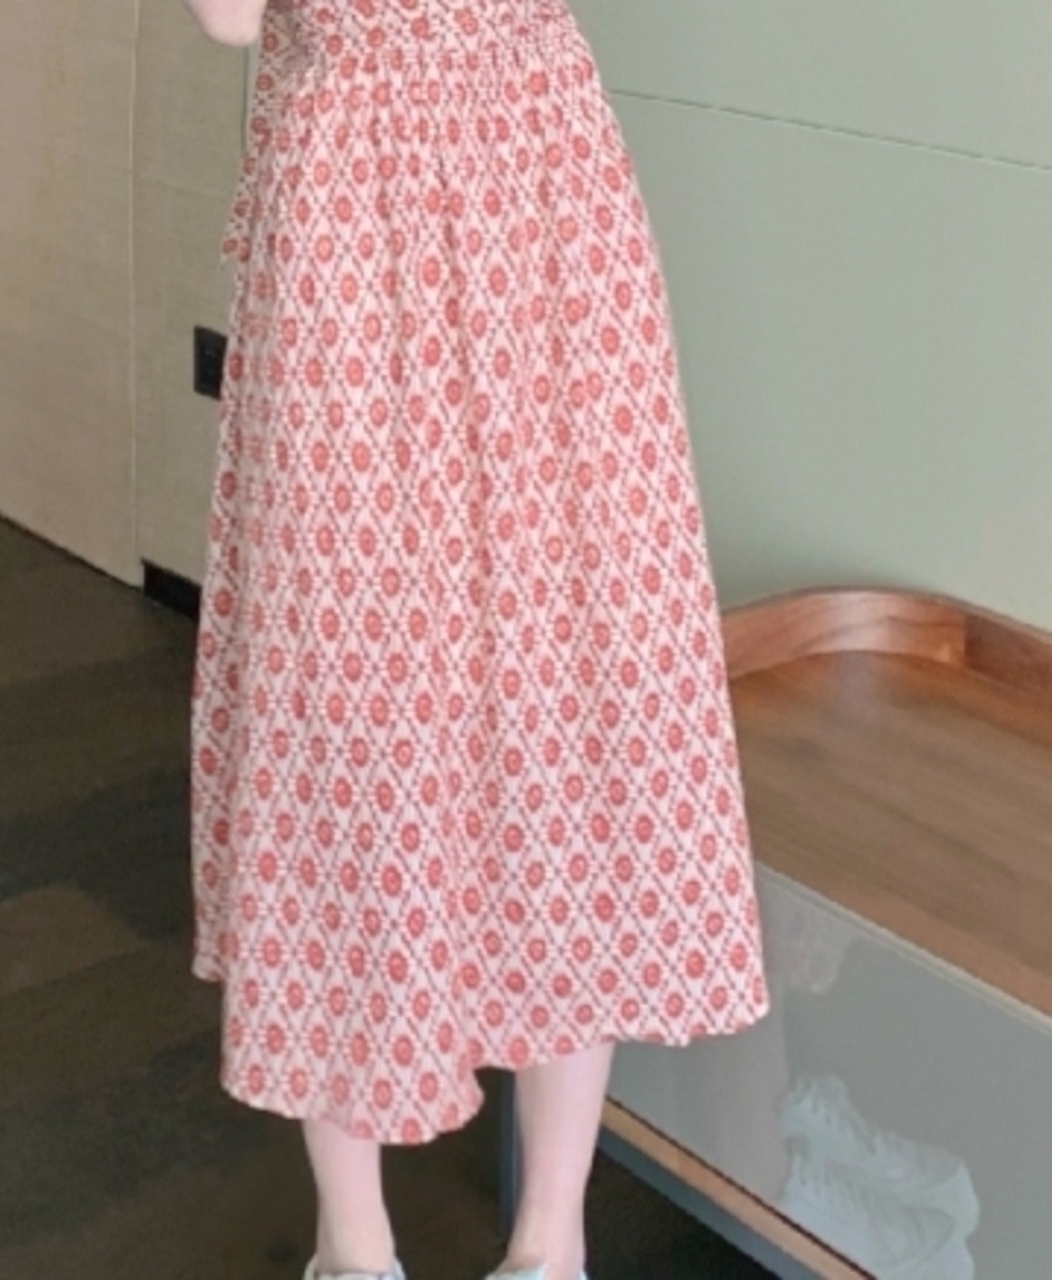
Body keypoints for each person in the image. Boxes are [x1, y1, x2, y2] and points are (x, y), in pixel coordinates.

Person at [182, 2, 771, 1278]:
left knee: (343, 683)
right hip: (541, 171)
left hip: (362, 186)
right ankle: (546, 1239)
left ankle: (359, 1246)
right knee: (560, 676)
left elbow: (227, 17)